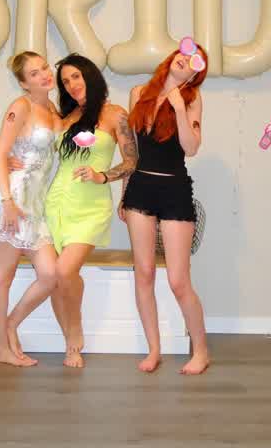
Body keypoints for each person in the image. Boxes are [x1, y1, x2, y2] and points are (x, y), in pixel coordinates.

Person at [119, 39, 210, 375]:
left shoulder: (192, 99)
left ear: (196, 75)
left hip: (174, 188)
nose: (186, 59)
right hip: (140, 187)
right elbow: (131, 152)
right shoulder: (138, 93)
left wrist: (180, 109)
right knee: (143, 272)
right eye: (184, 53)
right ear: (173, 56)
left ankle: (201, 351)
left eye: (195, 61)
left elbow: (192, 147)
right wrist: (124, 194)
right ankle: (154, 349)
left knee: (178, 280)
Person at [45, 53, 137, 368]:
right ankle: (70, 342)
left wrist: (103, 177)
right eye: (65, 81)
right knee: (55, 276)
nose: (71, 84)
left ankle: (76, 329)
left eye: (76, 76)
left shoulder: (115, 114)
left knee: (64, 271)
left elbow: (131, 161)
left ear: (90, 76)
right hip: (57, 202)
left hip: (91, 205)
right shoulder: (65, 118)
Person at [0, 51, 61, 367]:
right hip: (13, 201)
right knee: (2, 279)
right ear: (23, 83)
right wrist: (7, 203)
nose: (44, 75)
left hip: (35, 205)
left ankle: (10, 324)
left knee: (50, 274)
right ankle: (1, 349)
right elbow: (0, 154)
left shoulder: (52, 108)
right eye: (34, 73)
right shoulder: (20, 106)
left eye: (44, 68)